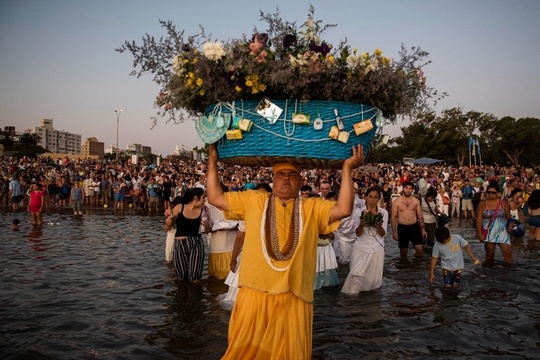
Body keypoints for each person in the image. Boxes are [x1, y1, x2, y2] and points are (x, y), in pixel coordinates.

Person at [207, 143, 364, 359]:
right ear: (273, 179)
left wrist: (347, 169)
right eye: (281, 174)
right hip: (255, 293)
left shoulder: (311, 206)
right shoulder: (254, 200)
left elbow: (344, 208)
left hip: (294, 295)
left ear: (301, 181)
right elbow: (215, 197)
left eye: (292, 175)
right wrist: (213, 162)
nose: (286, 179)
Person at [342, 186, 388, 294]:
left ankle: (368, 306)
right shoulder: (358, 212)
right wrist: (362, 224)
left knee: (373, 282)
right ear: (366, 198)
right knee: (355, 276)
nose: (372, 199)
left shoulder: (383, 213)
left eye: (375, 197)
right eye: (370, 197)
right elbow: (357, 233)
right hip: (361, 248)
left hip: (376, 249)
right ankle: (352, 305)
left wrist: (378, 226)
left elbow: (383, 234)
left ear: (378, 199)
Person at [164, 187, 208, 282]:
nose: (205, 200)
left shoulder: (202, 211)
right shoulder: (180, 207)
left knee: (196, 276)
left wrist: (207, 226)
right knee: (181, 276)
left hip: (197, 243)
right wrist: (171, 216)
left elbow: (207, 231)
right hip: (180, 243)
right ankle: (182, 295)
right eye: (203, 197)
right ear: (196, 198)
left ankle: (196, 295)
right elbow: (168, 225)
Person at [206, 184, 238, 279]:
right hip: (216, 247)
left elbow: (242, 227)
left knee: (231, 277)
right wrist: (206, 227)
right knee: (216, 277)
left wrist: (233, 227)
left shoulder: (234, 208)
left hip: (231, 245)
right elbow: (208, 230)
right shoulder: (210, 211)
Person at [475, 181, 513, 264]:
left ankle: (508, 275)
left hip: (503, 231)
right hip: (489, 231)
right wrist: (479, 234)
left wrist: (511, 225)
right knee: (490, 256)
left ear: (498, 193)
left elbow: (508, 217)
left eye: (493, 193)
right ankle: (490, 275)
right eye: (488, 192)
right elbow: (478, 220)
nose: (490, 194)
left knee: (507, 254)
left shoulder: (503, 203)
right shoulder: (482, 204)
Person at [391, 181, 427, 258]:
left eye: (410, 188)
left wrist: (423, 229)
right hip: (402, 228)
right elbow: (393, 218)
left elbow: (420, 216)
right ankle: (405, 268)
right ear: (403, 188)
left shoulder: (415, 201)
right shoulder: (397, 202)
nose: (408, 190)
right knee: (403, 252)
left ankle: (416, 268)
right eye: (406, 188)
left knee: (420, 250)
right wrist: (394, 232)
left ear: (412, 190)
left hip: (414, 227)